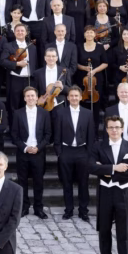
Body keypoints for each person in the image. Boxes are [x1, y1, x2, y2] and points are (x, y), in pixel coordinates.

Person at [93, 114, 128, 254]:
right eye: (111, 127)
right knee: (104, 230)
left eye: (117, 127)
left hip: (123, 195)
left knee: (124, 232)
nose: (114, 130)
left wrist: (106, 172)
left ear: (122, 129)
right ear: (106, 130)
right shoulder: (98, 146)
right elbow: (91, 167)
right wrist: (114, 168)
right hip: (105, 194)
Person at [53, 84, 93, 222]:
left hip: (82, 151)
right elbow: (56, 134)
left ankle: (83, 211)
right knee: (67, 183)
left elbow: (91, 136)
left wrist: (89, 154)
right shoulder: (60, 113)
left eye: (77, 96)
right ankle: (68, 210)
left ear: (81, 97)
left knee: (84, 183)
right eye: (72, 96)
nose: (74, 98)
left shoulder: (88, 113)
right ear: (68, 97)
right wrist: (59, 152)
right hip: (66, 151)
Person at [11, 85, 50, 218]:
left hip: (38, 153)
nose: (30, 98)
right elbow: (14, 135)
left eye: (33, 95)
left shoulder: (44, 113)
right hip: (23, 152)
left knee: (38, 181)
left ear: (37, 97)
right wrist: (26, 148)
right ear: (24, 98)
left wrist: (38, 148)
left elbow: (48, 134)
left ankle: (38, 208)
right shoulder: (17, 113)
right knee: (22, 182)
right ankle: (24, 207)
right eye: (28, 96)